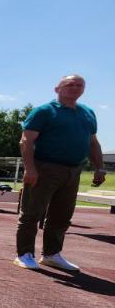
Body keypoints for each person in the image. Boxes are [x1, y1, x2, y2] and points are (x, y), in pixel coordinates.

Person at [14, 74, 106, 271]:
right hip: (44, 168)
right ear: (57, 88)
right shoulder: (44, 111)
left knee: (62, 216)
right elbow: (26, 140)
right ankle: (24, 254)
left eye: (79, 85)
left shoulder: (87, 113)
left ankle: (51, 254)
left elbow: (92, 142)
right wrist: (30, 169)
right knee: (32, 213)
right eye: (70, 84)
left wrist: (99, 166)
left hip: (73, 171)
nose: (74, 88)